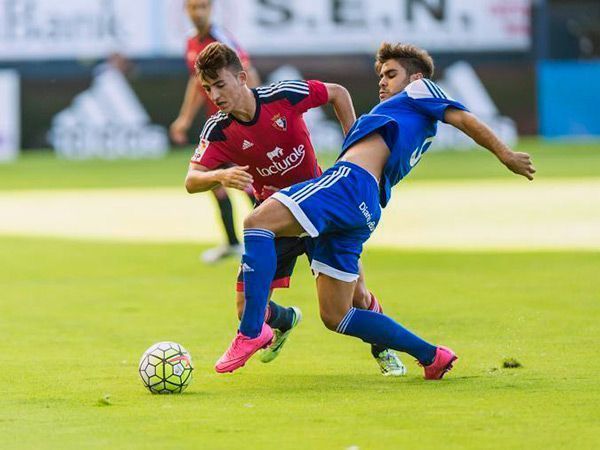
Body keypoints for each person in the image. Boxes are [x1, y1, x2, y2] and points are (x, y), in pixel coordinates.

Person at [216, 42, 536, 378]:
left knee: (256, 222)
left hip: (348, 184)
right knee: (336, 315)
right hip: (365, 207)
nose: (382, 81)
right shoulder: (410, 117)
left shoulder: (419, 89)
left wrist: (505, 154)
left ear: (415, 77)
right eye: (380, 75)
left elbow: (465, 119)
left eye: (391, 74)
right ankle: (433, 357)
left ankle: (252, 331)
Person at [185, 42, 407, 376]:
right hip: (277, 221)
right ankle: (285, 319)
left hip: (321, 209)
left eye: (220, 84)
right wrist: (220, 174)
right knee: (247, 309)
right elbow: (191, 180)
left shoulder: (282, 96)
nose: (214, 95)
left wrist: (352, 150)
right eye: (207, 88)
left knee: (357, 298)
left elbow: (337, 92)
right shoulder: (218, 130)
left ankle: (384, 349)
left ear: (242, 77)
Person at [171, 0, 260, 263]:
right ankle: (233, 243)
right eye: (193, 7)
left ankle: (277, 238)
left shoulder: (221, 40)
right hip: (216, 125)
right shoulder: (191, 43)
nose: (197, 12)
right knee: (214, 181)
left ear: (211, 9)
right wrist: (184, 119)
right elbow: (196, 83)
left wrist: (252, 117)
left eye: (202, 7)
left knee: (247, 182)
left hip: (235, 124)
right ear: (186, 10)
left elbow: (248, 74)